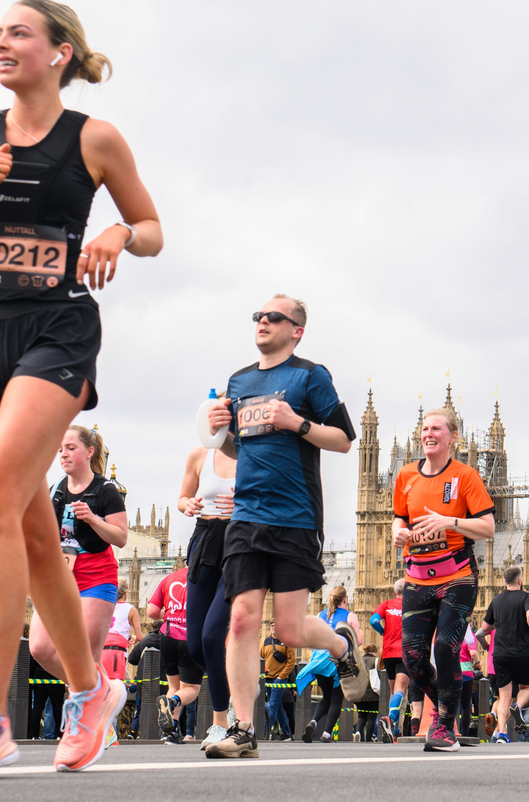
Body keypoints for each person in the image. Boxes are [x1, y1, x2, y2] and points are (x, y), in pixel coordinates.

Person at [0, 0, 161, 773]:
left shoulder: (94, 138)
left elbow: (151, 227)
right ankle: (93, 693)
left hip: (56, 327)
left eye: (18, 33)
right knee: (25, 525)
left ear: (60, 53)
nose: (2, 44)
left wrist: (119, 231)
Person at [200, 296, 361, 759]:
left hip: (295, 516)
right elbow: (237, 450)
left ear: (297, 330)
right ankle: (244, 729)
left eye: (274, 317)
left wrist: (298, 422)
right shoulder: (239, 380)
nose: (263, 322)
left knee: (288, 631)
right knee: (243, 619)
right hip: (246, 516)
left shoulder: (311, 376)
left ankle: (338, 642)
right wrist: (219, 431)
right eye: (259, 317)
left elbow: (345, 440)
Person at [391, 414, 495, 755]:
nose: (429, 433)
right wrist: (397, 532)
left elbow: (488, 527)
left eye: (436, 428)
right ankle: (449, 708)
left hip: (458, 577)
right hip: (417, 577)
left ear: (453, 437)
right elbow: (399, 517)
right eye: (424, 428)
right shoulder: (406, 475)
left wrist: (448, 521)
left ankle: (444, 725)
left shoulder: (465, 476)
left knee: (445, 649)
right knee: (413, 657)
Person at [33, 426, 127, 704]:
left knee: (83, 654)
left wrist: (94, 519)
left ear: (89, 452)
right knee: (39, 648)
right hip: (59, 580)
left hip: (96, 579)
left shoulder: (106, 491)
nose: (63, 454)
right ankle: (99, 692)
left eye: (71, 448)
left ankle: (92, 713)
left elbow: (121, 537)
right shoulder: (55, 491)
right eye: (61, 449)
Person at [177, 439, 236, 748]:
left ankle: (219, 722)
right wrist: (187, 504)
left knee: (213, 635)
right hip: (204, 539)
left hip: (240, 542)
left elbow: (275, 499)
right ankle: (238, 682)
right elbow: (182, 498)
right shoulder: (200, 455)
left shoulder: (255, 455)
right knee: (196, 643)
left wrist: (246, 504)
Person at [299, 586, 365, 743]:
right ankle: (326, 734)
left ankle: (313, 722)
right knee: (336, 700)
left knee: (325, 697)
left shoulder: (321, 615)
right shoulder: (350, 616)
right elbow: (359, 641)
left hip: (319, 661)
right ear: (345, 600)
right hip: (336, 662)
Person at [481, 566, 529, 745]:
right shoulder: (526, 597)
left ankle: (501, 733)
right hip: (521, 652)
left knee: (503, 695)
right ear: (519, 580)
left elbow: (484, 628)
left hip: (500, 655)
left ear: (504, 581)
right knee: (526, 687)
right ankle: (517, 707)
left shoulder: (496, 600)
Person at [148, 566, 197, 744]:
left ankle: (171, 732)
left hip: (168, 635)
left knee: (173, 686)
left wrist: (169, 614)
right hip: (189, 636)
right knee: (192, 688)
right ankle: (173, 702)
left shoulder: (169, 578)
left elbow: (151, 612)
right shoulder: (204, 577)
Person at [372, 579, 407, 738]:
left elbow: (374, 621)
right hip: (404, 652)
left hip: (388, 653)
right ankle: (390, 719)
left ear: (395, 592)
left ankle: (396, 731)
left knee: (393, 692)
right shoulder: (410, 605)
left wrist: (382, 631)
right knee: (401, 690)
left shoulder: (386, 604)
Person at [261, 622, 296, 740]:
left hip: (279, 679)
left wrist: (282, 676)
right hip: (268, 678)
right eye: (271, 626)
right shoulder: (266, 641)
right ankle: (286, 733)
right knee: (278, 706)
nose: (273, 628)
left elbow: (292, 661)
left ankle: (264, 733)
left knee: (273, 704)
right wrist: (264, 671)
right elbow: (261, 658)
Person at [102, 583, 142, 682]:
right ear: (125, 593)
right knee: (117, 686)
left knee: (102, 685)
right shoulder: (131, 609)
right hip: (117, 652)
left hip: (101, 651)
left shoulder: (104, 606)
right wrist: (134, 638)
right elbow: (140, 637)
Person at [355, 643, 381, 741]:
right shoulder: (376, 661)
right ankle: (368, 738)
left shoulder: (358, 661)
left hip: (359, 693)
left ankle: (358, 732)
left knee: (361, 716)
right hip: (373, 694)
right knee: (371, 717)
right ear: (374, 651)